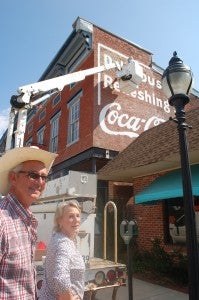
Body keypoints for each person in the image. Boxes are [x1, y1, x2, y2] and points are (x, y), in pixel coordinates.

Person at [0, 146, 57, 300]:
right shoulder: (2, 221)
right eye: (33, 175)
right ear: (13, 178)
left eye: (44, 177)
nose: (40, 182)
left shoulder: (26, 220)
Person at [39, 201, 85, 300]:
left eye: (78, 215)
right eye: (71, 216)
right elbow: (61, 278)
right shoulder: (64, 243)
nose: (76, 220)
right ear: (59, 221)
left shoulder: (58, 237)